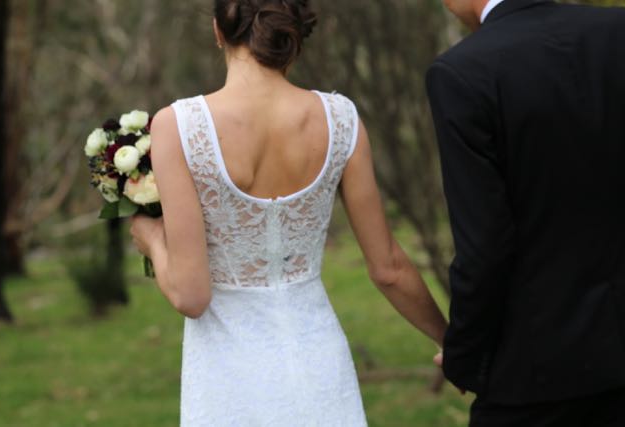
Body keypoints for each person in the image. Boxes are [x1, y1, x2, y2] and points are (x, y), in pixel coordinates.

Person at [129, 0, 447, 425]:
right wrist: (453, 343)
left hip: (228, 375)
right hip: (319, 364)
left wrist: (151, 238)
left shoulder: (178, 126)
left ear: (218, 31)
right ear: (292, 36)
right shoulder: (341, 118)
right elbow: (388, 267)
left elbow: (191, 296)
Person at [426, 0, 625, 425]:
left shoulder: (461, 74)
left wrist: (465, 355)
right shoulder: (617, 29)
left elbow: (485, 249)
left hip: (537, 375)